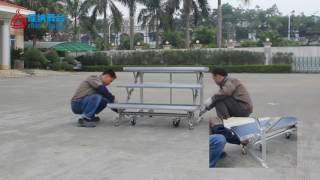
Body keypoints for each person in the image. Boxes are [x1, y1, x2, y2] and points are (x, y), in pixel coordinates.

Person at [201, 68, 253, 145]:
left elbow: (226, 92)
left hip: (243, 108)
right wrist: (205, 108)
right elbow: (220, 95)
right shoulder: (225, 83)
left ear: (218, 76)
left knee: (218, 100)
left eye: (213, 78)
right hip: (240, 107)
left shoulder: (230, 81)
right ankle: (226, 123)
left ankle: (227, 124)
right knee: (218, 98)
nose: (214, 81)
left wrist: (211, 99)